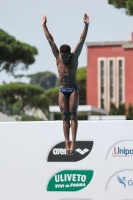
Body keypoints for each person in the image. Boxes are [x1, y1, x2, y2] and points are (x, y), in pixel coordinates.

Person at [42, 13, 90, 154]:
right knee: (64, 116)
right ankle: (66, 142)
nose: (65, 58)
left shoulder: (74, 58)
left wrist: (86, 26)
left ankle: (74, 143)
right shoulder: (58, 58)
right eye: (63, 56)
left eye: (67, 55)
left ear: (70, 54)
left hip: (73, 89)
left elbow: (81, 40)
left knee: (73, 115)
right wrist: (44, 25)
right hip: (62, 89)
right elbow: (50, 40)